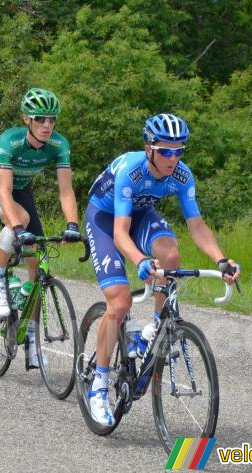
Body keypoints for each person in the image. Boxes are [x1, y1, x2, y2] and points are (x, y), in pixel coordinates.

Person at [83, 113, 240, 426]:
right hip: (105, 219)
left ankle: (155, 325)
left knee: (171, 255)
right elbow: (119, 234)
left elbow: (196, 225)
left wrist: (221, 259)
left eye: (179, 150)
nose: (173, 158)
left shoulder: (182, 175)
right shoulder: (131, 170)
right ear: (149, 148)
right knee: (120, 302)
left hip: (140, 215)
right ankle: (99, 385)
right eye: (166, 151)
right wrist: (140, 261)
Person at [0, 87, 81, 367]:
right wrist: (18, 229)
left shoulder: (59, 145)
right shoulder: (10, 141)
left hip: (22, 194)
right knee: (18, 220)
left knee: (39, 261)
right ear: (26, 119)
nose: (48, 125)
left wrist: (72, 224)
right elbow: (5, 192)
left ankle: (31, 338)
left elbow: (66, 192)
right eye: (41, 119)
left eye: (52, 119)